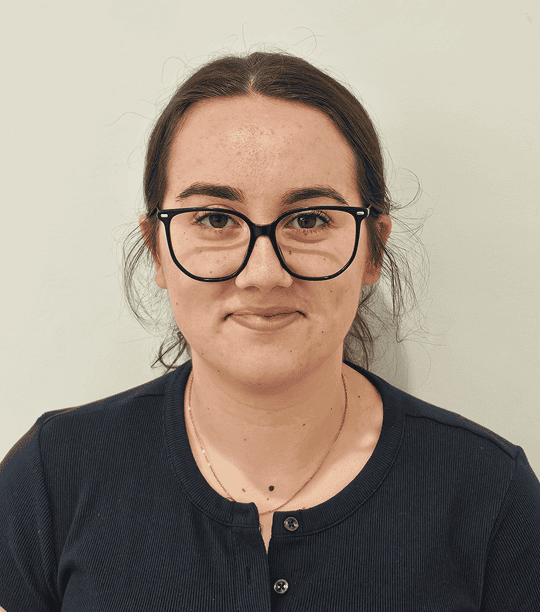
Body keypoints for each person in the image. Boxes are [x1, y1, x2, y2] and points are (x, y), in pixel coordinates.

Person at [1, 50, 539, 611]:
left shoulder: (490, 493)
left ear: (374, 250)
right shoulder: (50, 478)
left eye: (309, 219)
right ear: (157, 249)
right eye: (215, 219)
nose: (263, 274)